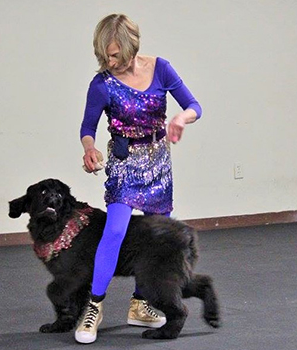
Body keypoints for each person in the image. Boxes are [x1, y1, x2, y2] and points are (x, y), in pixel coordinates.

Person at [76, 13, 202, 344]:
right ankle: (94, 306)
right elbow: (87, 128)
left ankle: (139, 304)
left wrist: (181, 118)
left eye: (114, 54)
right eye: (103, 54)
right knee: (115, 230)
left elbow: (194, 105)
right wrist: (89, 150)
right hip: (123, 162)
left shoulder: (160, 68)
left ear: (132, 47)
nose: (108, 61)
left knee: (157, 238)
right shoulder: (101, 84)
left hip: (158, 162)